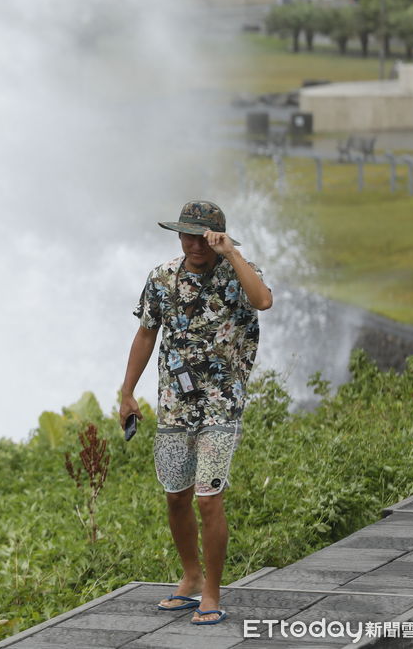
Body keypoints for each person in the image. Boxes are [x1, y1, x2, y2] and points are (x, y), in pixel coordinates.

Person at [118, 200, 272, 626]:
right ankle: (190, 577)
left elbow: (262, 301)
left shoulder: (238, 271)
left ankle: (212, 591)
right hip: (174, 406)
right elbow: (146, 333)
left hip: (222, 403)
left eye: (203, 237)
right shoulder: (162, 277)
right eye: (186, 234)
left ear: (217, 238)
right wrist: (127, 392)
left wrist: (232, 254)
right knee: (175, 495)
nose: (193, 244)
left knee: (208, 499)